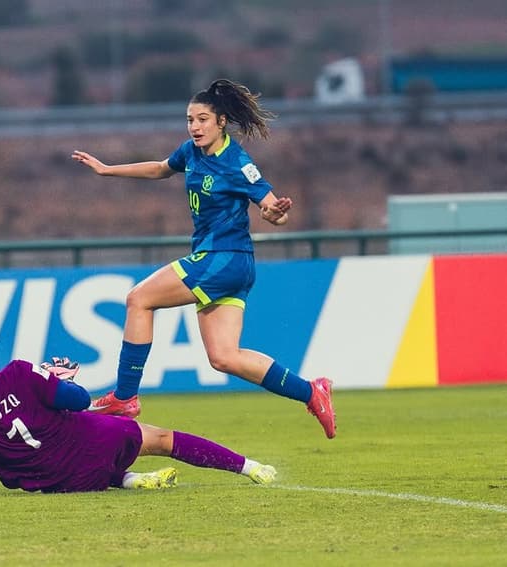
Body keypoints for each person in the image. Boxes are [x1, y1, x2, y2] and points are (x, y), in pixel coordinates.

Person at [71, 78, 336, 439]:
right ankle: (311, 391)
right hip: (228, 266)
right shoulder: (191, 152)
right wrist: (108, 169)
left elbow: (273, 207)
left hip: (223, 259)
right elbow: (161, 168)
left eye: (202, 120)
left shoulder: (237, 163)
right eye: (190, 120)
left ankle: (125, 397)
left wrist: (276, 214)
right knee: (224, 357)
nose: (195, 127)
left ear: (221, 121)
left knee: (138, 299)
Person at [0, 325, 277, 497]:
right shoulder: (18, 371)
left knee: (73, 460)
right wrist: (60, 377)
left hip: (58, 483)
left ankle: (129, 479)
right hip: (90, 444)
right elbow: (79, 401)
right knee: (164, 439)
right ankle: (252, 468)